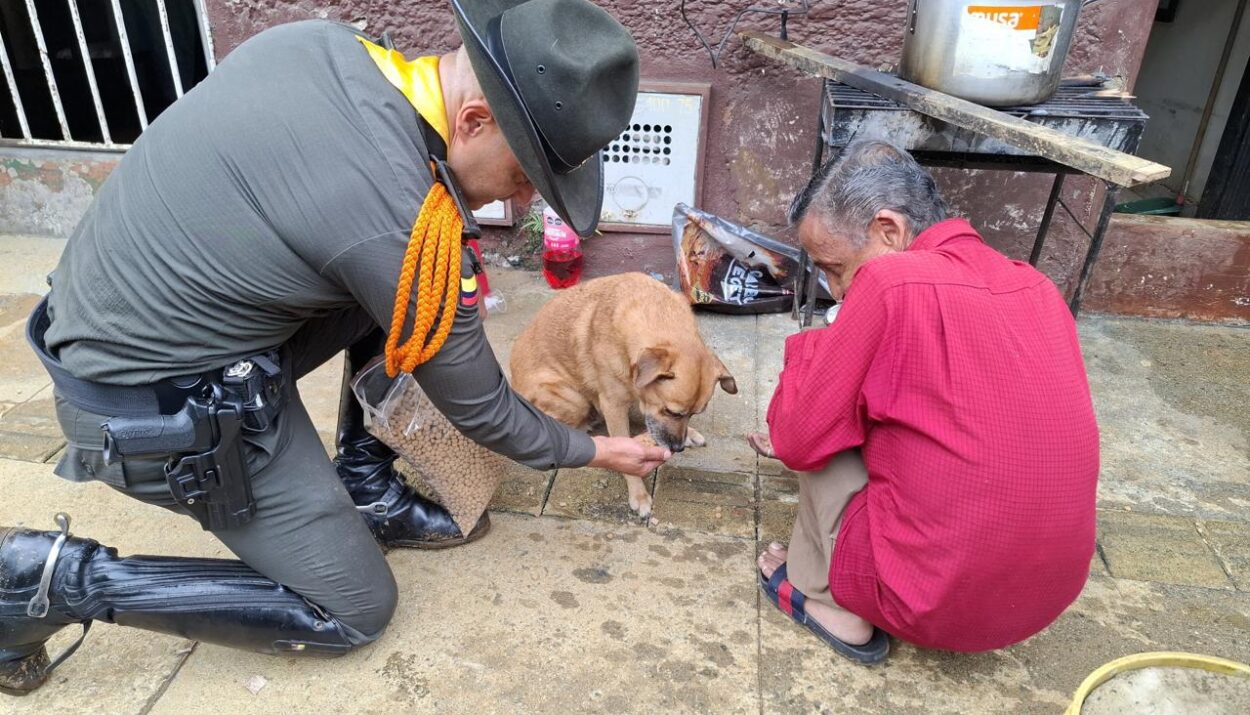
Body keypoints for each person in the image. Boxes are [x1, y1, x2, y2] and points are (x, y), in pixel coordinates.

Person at [2, 0, 669, 696]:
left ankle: (366, 485)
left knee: (415, 285)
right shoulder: (397, 214)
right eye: (527, 174)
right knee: (354, 607)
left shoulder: (331, 46)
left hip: (112, 323)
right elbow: (484, 409)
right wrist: (597, 449)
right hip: (148, 406)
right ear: (473, 122)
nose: (527, 201)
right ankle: (47, 582)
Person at [747, 141, 1099, 664]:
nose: (835, 288)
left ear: (889, 231)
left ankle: (828, 601)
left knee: (815, 428)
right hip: (1047, 598)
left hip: (926, 601)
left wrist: (821, 345)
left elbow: (796, 438)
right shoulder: (1037, 285)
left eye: (833, 267)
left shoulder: (890, 282)